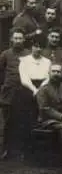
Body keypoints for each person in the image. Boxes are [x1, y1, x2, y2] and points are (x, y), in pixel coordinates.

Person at [0, 29, 29, 160]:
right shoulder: (5, 54)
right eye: (15, 38)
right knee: (7, 122)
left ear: (24, 40)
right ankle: (6, 149)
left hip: (23, 93)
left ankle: (21, 150)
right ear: (11, 39)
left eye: (20, 38)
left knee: (22, 121)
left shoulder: (28, 54)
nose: (18, 41)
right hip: (8, 93)